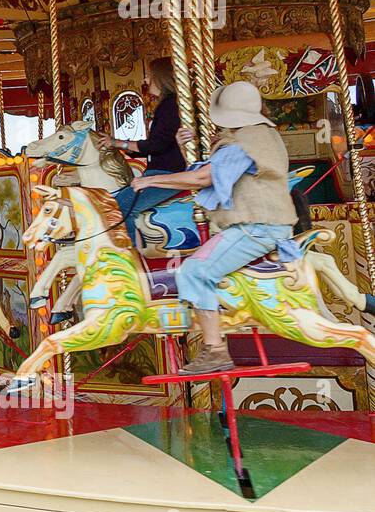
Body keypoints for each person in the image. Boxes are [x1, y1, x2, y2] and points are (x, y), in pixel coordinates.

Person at [131, 81, 297, 374]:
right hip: (267, 223)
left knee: (195, 270)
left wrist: (151, 180)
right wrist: (186, 148)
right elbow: (212, 172)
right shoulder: (262, 135)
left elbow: (202, 180)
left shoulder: (243, 141)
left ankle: (215, 350)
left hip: (255, 226)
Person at [101, 56, 187, 246]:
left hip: (169, 173)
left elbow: (157, 145)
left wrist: (119, 143)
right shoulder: (168, 105)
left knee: (120, 207)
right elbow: (155, 146)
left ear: (162, 78)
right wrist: (123, 147)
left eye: (149, 75)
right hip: (162, 170)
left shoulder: (170, 105)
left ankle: (129, 259)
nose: (145, 80)